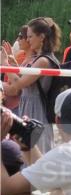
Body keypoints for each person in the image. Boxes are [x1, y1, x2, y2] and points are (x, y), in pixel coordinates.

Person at [0, 18, 61, 160]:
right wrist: (12, 64)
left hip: (37, 108)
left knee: (38, 148)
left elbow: (19, 84)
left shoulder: (43, 60)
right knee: (26, 149)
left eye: (30, 36)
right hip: (28, 105)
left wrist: (4, 64)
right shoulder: (36, 58)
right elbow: (22, 78)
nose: (27, 40)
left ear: (42, 37)